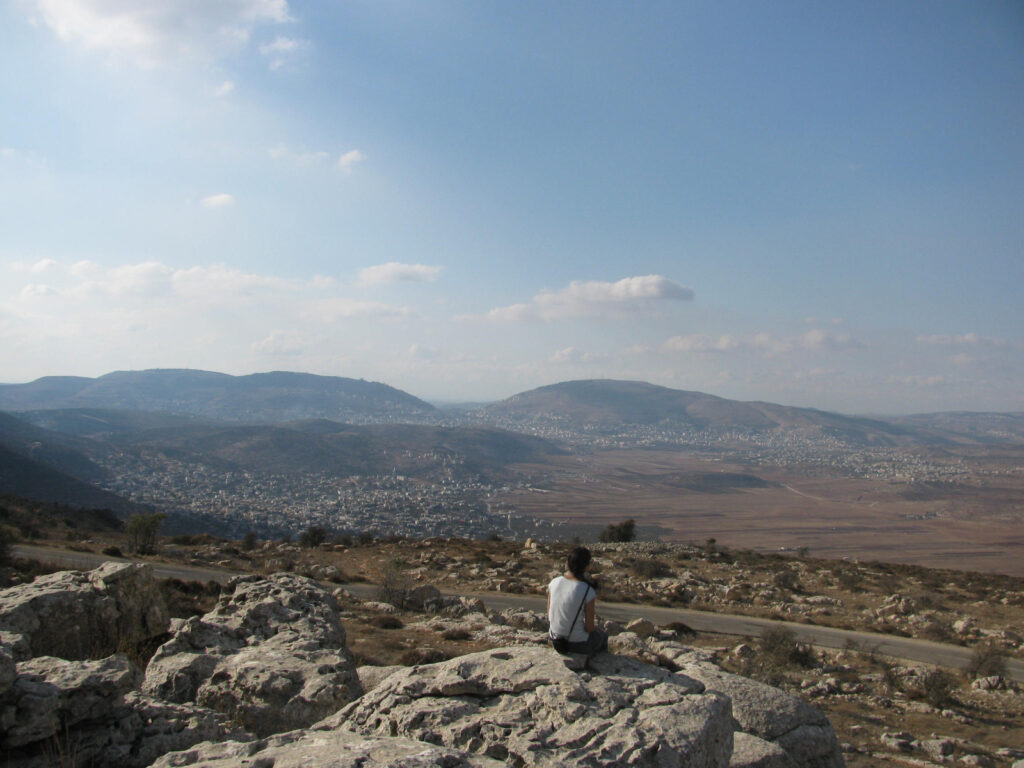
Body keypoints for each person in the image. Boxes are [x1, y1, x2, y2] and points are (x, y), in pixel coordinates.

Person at [547, 546, 608, 655]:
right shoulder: (587, 590)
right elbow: (589, 627)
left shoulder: (554, 583)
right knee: (602, 637)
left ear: (568, 563)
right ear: (587, 567)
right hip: (576, 643)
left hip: (555, 639)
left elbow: (549, 616)